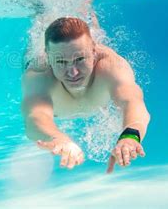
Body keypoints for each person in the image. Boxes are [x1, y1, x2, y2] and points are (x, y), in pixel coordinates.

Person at [21, 17, 151, 173]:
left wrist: (130, 135)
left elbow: (132, 101)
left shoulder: (111, 67)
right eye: (61, 62)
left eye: (80, 59)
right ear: (49, 58)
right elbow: (35, 117)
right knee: (43, 17)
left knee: (86, 15)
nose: (73, 72)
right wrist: (57, 138)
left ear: (94, 51)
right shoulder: (38, 75)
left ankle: (85, 3)